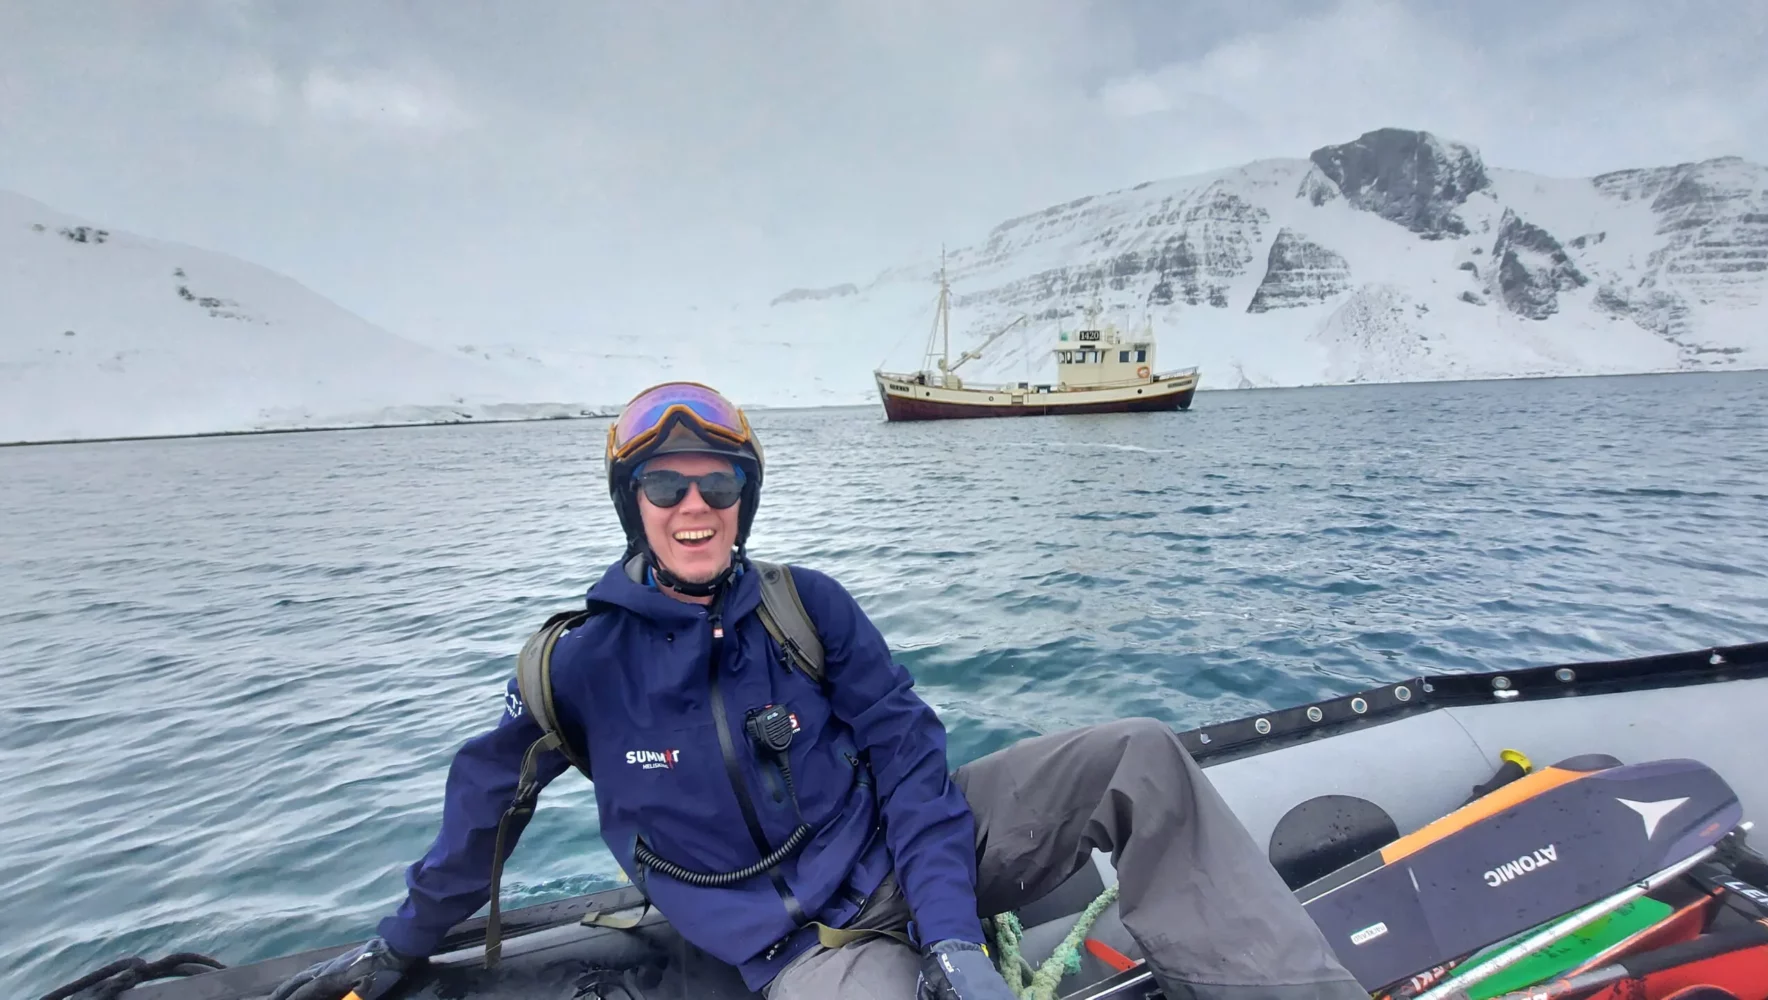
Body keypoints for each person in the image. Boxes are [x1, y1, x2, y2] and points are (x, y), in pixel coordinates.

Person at [271, 381, 1366, 1000]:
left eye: (719, 484)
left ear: (743, 500)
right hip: (801, 950)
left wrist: (950, 933)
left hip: (912, 857)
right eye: (664, 485)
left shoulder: (808, 608)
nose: (694, 506)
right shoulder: (574, 669)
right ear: (631, 503)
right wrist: (395, 947)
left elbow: (912, 762)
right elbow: (480, 820)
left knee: (1137, 755)